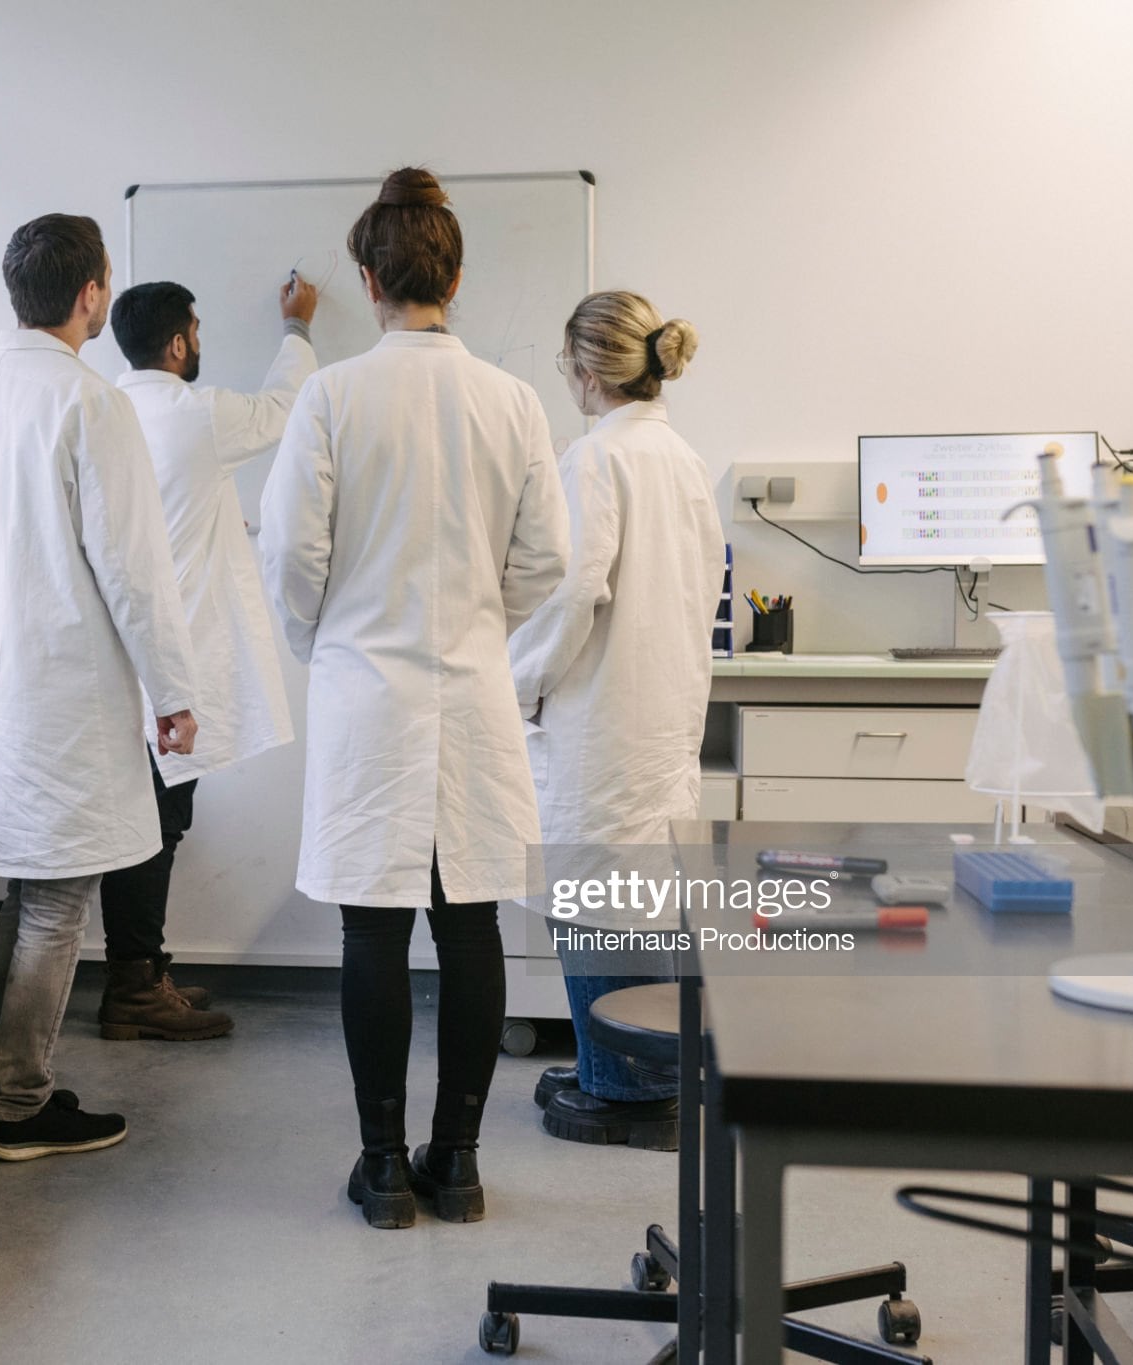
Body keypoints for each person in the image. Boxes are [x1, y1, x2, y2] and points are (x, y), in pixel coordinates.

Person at [259, 168, 569, 1229]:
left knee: (372, 933)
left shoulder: (333, 395)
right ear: (455, 275)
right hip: (473, 692)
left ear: (366, 276)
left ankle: (383, 1168)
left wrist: (325, 637)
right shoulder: (513, 400)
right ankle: (461, 1163)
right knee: (470, 922)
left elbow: (290, 556)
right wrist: (482, 622)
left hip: (366, 693)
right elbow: (546, 561)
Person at [0, 212, 198, 1161]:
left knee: (30, 893)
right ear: (92, 294)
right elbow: (133, 569)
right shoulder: (92, 403)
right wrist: (173, 688)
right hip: (59, 695)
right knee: (56, 900)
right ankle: (23, 1104)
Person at [508, 293, 724, 1149]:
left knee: (598, 897)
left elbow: (570, 597)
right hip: (659, 714)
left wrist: (515, 684)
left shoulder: (594, 459)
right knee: (637, 897)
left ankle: (628, 1089)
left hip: (603, 722)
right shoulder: (681, 457)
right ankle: (624, 1065)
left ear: (586, 370)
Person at [97, 277, 321, 1042]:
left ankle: (144, 971)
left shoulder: (107, 410)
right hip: (170, 657)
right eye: (196, 329)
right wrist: (295, 326)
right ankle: (132, 988)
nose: (201, 341)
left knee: (153, 822)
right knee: (154, 827)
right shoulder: (193, 414)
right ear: (179, 343)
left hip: (120, 658)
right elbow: (283, 410)